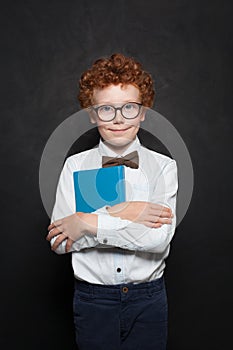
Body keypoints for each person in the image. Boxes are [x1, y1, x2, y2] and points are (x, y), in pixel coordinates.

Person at [46, 53, 178, 350]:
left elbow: (157, 240)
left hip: (149, 300)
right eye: (106, 109)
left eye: (129, 108)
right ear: (92, 114)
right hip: (93, 300)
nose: (118, 119)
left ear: (144, 112)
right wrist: (129, 214)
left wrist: (87, 221)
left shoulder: (164, 167)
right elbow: (60, 242)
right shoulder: (75, 167)